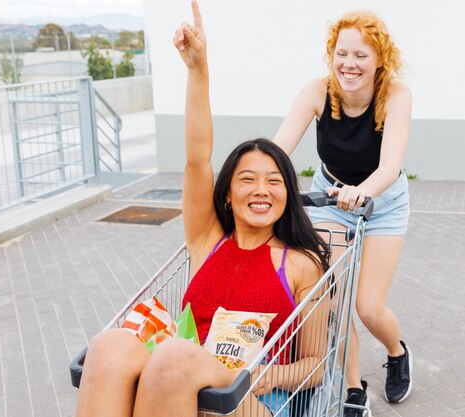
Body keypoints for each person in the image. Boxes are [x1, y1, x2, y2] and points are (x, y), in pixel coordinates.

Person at [74, 2, 330, 417]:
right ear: (227, 194)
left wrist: (267, 374)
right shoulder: (208, 240)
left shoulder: (300, 265)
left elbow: (316, 363)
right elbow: (197, 157)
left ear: (287, 194)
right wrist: (197, 70)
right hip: (176, 380)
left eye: (274, 180)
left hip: (253, 397)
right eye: (247, 179)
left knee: (174, 357)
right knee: (109, 345)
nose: (261, 189)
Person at [273, 9, 413, 413]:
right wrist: (255, 176)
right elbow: (281, 145)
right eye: (341, 53)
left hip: (382, 203)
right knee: (333, 300)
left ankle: (396, 351)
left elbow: (389, 166)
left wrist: (362, 191)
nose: (349, 64)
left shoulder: (396, 95)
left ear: (379, 60)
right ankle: (354, 389)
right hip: (330, 201)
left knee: (367, 306)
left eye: (361, 55)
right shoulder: (318, 91)